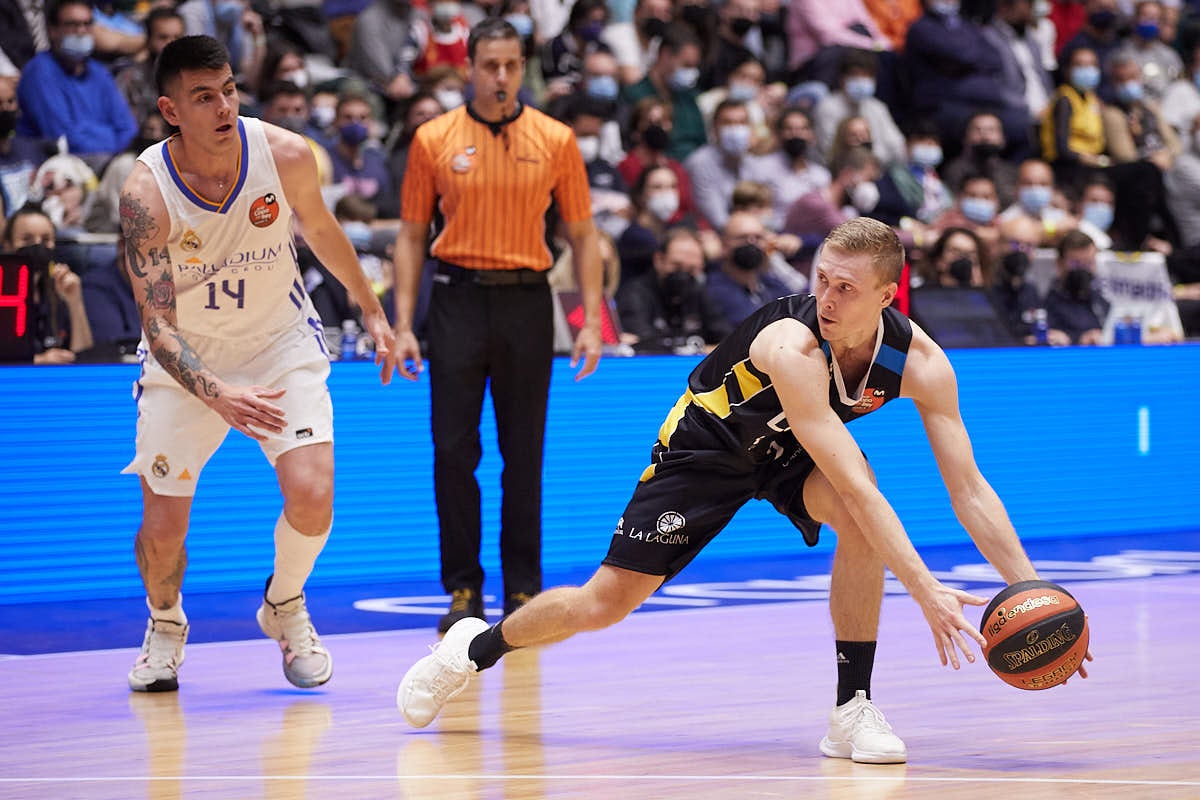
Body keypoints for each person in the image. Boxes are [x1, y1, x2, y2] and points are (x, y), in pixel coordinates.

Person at [396, 217, 1091, 762]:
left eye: (847, 288)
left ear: (887, 295)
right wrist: (924, 590)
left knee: (860, 511)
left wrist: (1038, 595)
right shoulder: (790, 344)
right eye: (822, 279)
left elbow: (969, 491)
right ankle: (471, 649)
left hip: (790, 453)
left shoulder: (923, 364)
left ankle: (852, 707)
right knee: (603, 604)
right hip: (708, 449)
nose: (827, 297)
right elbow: (847, 470)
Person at [118, 35, 397, 693]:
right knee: (162, 529)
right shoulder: (144, 193)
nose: (223, 108)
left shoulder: (285, 154)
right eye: (204, 97)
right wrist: (216, 392)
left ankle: (284, 603)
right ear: (171, 109)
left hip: (279, 343)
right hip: (186, 360)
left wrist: (374, 312)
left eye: (230, 91)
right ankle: (164, 623)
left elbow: (323, 232)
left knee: (314, 492)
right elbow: (156, 326)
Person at [391, 18, 605, 634]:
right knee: (453, 451)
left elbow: (584, 235)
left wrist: (590, 322)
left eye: (512, 65)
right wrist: (404, 322)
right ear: (470, 68)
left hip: (527, 303)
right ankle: (462, 588)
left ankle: (523, 592)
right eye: (490, 66)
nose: (502, 77)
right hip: (455, 298)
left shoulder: (556, 138)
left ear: (523, 68)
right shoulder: (432, 138)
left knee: (524, 453)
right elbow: (410, 235)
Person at [0, 202, 94, 363]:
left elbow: (83, 357)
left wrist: (74, 302)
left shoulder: (60, 287)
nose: (38, 245)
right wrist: (38, 361)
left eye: (45, 239)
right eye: (27, 239)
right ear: (8, 245)